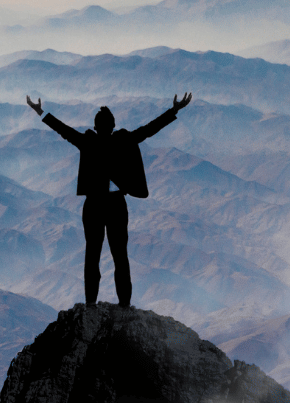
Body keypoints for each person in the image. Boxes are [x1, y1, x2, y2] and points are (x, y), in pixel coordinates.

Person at [25, 92, 193, 307]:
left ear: (95, 127)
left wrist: (40, 112)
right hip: (116, 206)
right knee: (119, 257)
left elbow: (62, 129)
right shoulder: (123, 141)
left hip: (94, 206)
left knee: (93, 256)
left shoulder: (87, 142)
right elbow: (149, 130)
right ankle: (124, 305)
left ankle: (91, 304)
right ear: (113, 126)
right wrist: (174, 110)